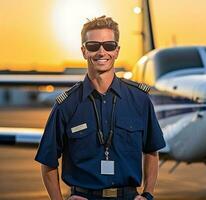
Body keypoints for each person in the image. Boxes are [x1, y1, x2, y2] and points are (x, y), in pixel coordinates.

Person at [35, 15, 166, 200]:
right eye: (93, 46)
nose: (101, 52)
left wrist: (147, 194)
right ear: (83, 51)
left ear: (117, 51)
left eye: (109, 46)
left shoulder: (140, 100)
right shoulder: (66, 105)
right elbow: (48, 162)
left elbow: (152, 150)